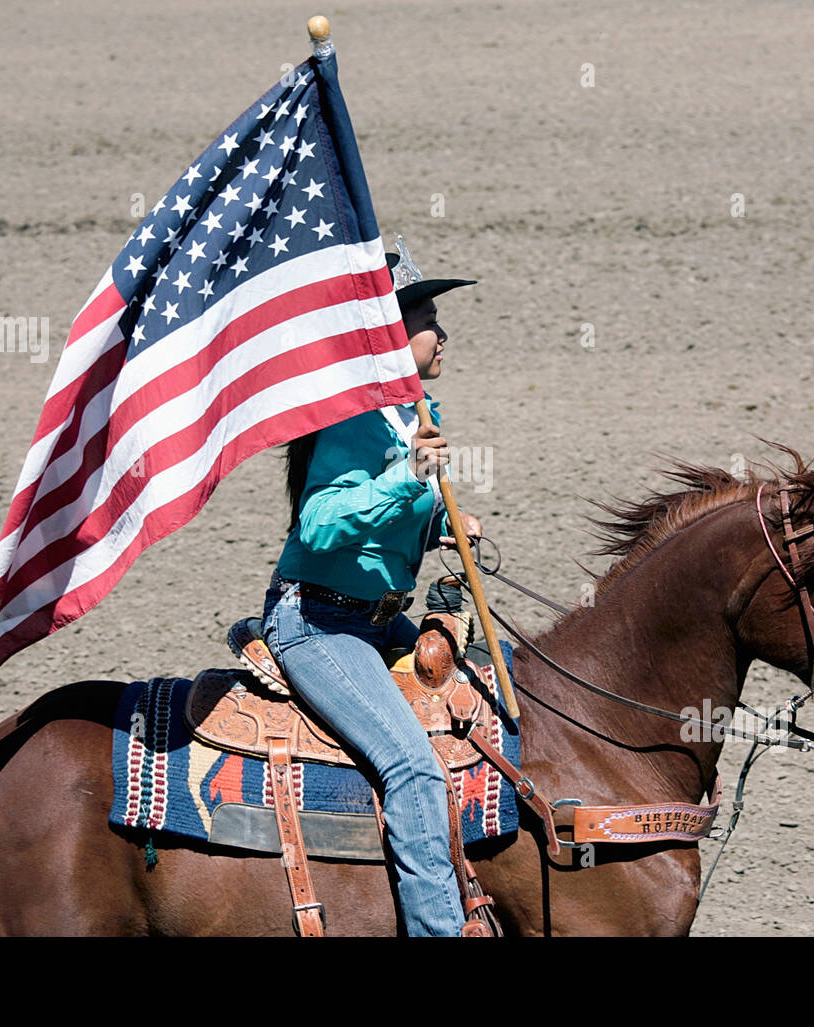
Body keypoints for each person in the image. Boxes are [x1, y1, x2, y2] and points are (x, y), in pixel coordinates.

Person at [260, 237, 482, 937]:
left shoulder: (416, 411)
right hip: (319, 623)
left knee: (487, 718)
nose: (441, 332)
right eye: (425, 317)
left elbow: (400, 509)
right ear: (389, 334)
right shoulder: (349, 417)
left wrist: (445, 519)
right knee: (412, 767)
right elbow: (320, 525)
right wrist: (406, 478)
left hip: (380, 617)